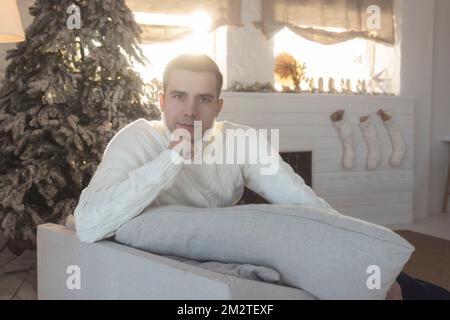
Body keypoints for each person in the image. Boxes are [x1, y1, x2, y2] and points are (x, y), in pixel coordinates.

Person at [74, 54, 449, 300]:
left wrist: (356, 254)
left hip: (226, 249)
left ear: (219, 106)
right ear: (160, 101)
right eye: (178, 97)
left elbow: (299, 200)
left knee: (404, 286)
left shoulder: (241, 142)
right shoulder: (137, 139)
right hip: (188, 262)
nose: (190, 111)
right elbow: (89, 223)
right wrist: (171, 158)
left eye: (204, 99)